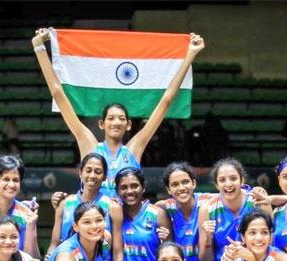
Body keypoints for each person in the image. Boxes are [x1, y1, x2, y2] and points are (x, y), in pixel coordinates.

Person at [32, 27, 205, 198]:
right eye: (111, 118)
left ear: (128, 125)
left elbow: (166, 100)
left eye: (122, 118)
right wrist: (39, 48)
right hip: (93, 223)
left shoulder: (134, 149)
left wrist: (190, 54)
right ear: (102, 123)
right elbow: (58, 93)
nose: (116, 122)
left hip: (125, 223)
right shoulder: (90, 146)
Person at [47, 153, 124, 261]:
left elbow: (117, 254)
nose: (92, 175)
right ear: (80, 173)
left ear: (104, 177)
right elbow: (54, 244)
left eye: (98, 171)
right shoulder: (64, 204)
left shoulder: (113, 207)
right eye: (88, 170)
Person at [198, 158, 267, 261]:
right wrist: (208, 239)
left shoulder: (257, 202)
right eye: (222, 180)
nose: (228, 184)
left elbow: (271, 247)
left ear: (242, 180)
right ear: (216, 185)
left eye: (233, 178)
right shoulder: (207, 210)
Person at [115, 168, 171, 261]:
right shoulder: (114, 215)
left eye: (134, 186)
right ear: (117, 191)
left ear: (143, 188)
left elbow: (171, 255)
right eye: (123, 187)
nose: (129, 191)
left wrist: (165, 240)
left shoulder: (158, 214)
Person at [156, 162, 213, 261]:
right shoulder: (165, 207)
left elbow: (232, 196)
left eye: (185, 182)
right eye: (175, 184)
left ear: (194, 183)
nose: (181, 188)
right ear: (168, 189)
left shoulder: (209, 201)